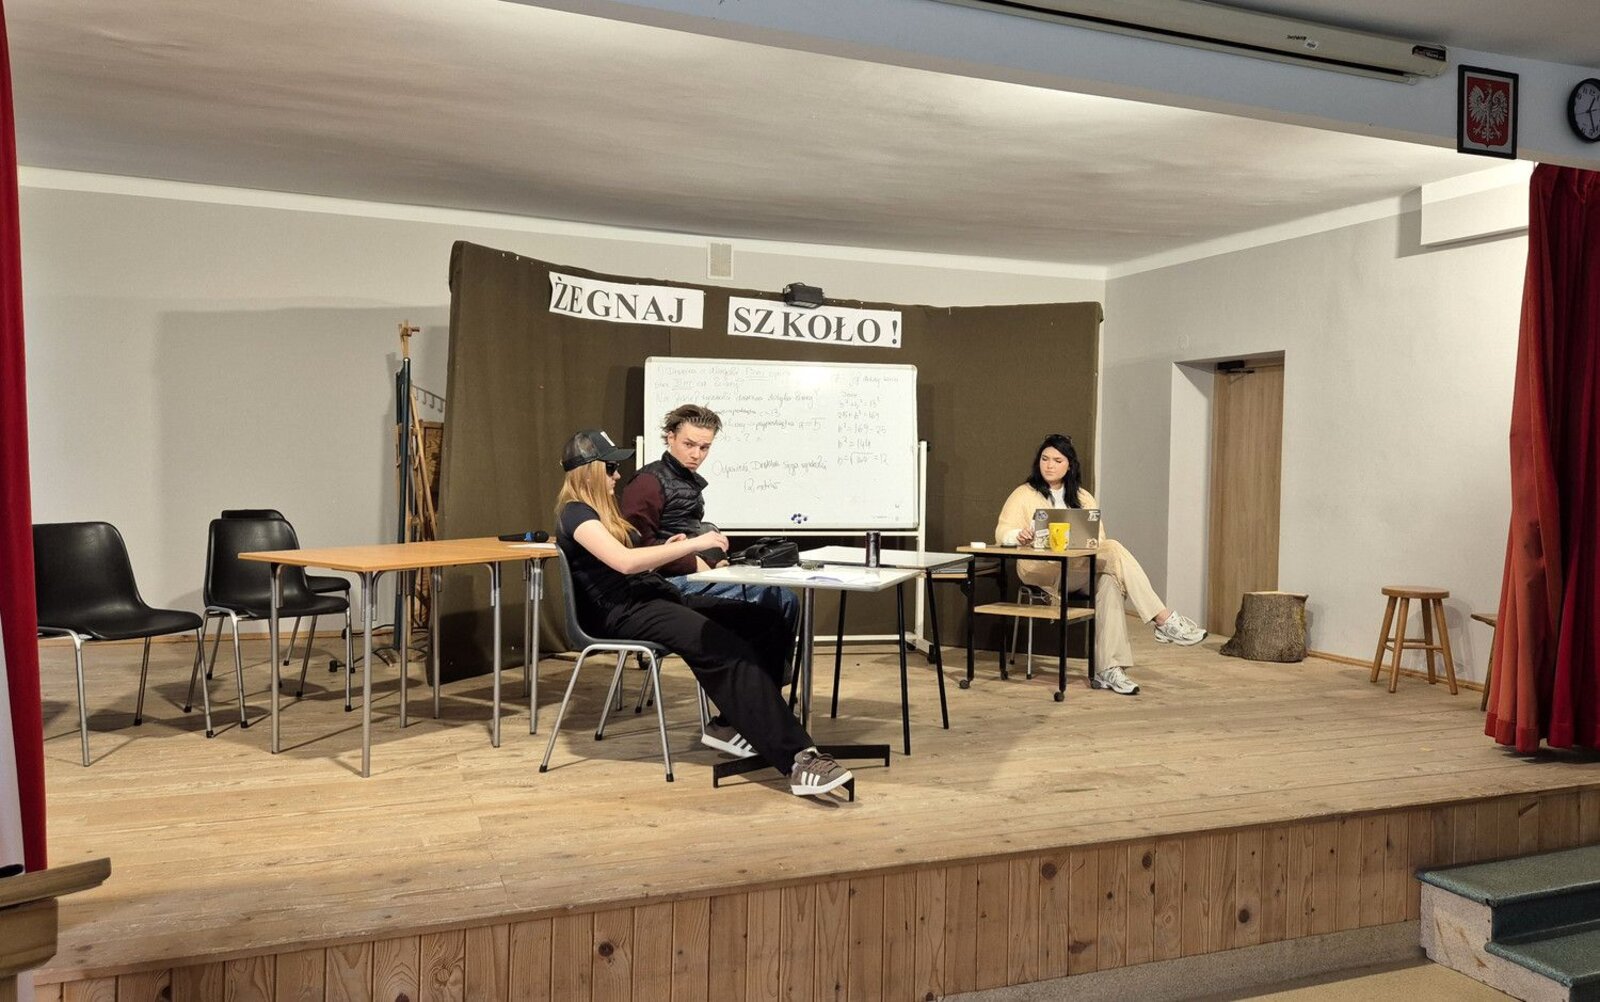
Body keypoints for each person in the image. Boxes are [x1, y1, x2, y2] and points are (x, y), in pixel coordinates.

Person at [554, 428, 852, 797]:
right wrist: (695, 544)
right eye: (611, 468)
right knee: (724, 647)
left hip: (649, 597)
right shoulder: (576, 514)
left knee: (765, 620)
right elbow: (626, 563)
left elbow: (630, 564)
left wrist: (667, 547)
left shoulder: (601, 514)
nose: (617, 476)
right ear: (589, 472)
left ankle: (732, 724)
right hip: (623, 613)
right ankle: (798, 759)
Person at [994, 433, 1207, 695]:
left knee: (1110, 580)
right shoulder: (1023, 494)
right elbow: (1002, 532)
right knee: (1114, 551)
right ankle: (1163, 619)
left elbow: (1099, 541)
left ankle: (1109, 669)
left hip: (1077, 569)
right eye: (1045, 459)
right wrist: (1019, 535)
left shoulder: (1082, 497)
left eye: (1057, 460)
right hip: (1041, 570)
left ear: (1069, 465)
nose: (1049, 465)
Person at [620, 403, 799, 626]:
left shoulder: (685, 480)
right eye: (689, 444)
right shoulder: (648, 482)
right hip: (660, 584)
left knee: (780, 596)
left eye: (704, 447)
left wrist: (713, 562)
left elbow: (686, 535)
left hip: (683, 576)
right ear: (671, 438)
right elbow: (635, 548)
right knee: (779, 599)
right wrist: (694, 563)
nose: (696, 455)